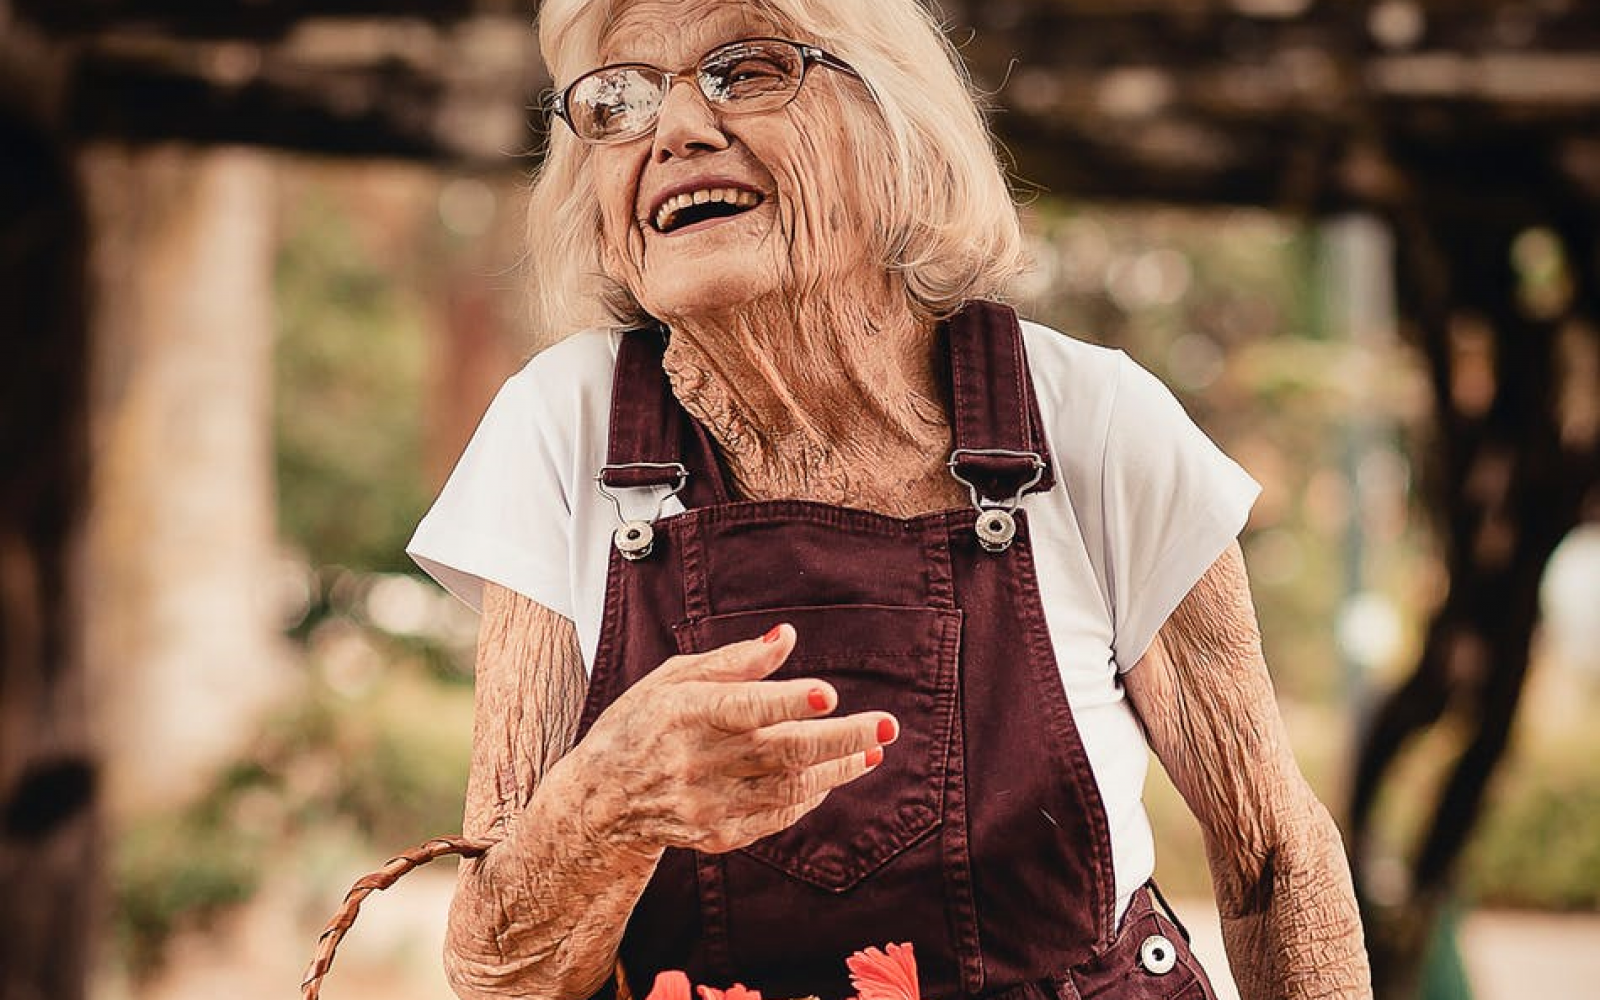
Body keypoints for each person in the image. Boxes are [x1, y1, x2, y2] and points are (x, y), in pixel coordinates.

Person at [407, 1, 1373, 998]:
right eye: (619, 99)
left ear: (895, 128)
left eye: (746, 69)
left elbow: (1271, 862)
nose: (678, 131)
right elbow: (497, 971)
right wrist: (606, 808)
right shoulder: (560, 429)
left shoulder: (1091, 419)